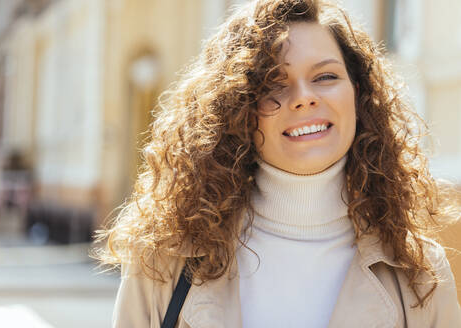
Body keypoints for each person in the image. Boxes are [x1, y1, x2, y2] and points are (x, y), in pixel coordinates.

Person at [95, 0, 461, 327]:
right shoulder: (163, 262)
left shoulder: (421, 275)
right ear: (237, 109)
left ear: (358, 95)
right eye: (274, 83)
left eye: (326, 76)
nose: (304, 98)